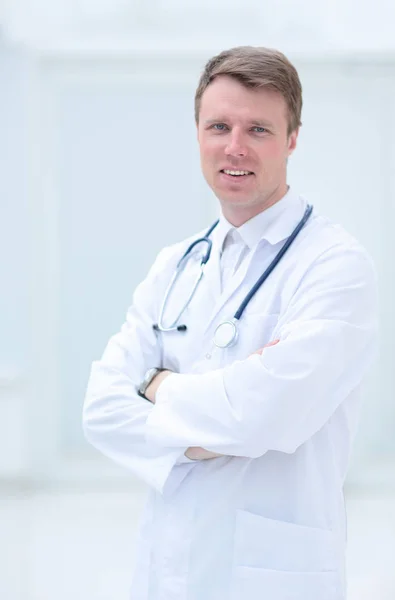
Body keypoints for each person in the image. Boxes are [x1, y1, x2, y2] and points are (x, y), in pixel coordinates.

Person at [83, 46, 378, 600]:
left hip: (275, 577)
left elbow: (263, 416)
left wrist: (159, 387)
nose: (234, 147)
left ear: (292, 139)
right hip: (166, 571)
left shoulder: (335, 267)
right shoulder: (176, 264)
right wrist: (211, 432)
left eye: (259, 129)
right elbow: (101, 409)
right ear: (197, 133)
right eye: (219, 126)